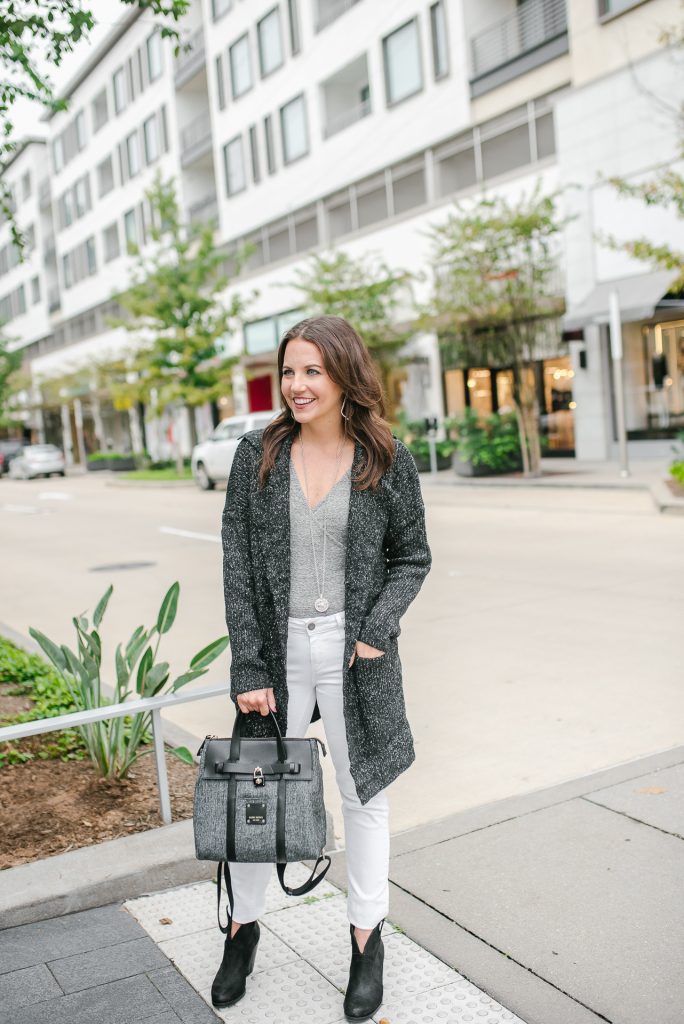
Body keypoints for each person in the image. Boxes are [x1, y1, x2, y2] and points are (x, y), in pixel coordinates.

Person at [213, 314, 432, 1020]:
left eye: (313, 370)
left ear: (344, 375)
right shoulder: (258, 454)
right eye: (290, 371)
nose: (298, 385)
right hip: (277, 652)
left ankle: (366, 939)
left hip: (352, 652)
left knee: (364, 796)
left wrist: (375, 630)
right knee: (257, 791)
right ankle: (243, 929)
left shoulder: (386, 459)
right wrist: (249, 664)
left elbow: (412, 558)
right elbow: (239, 566)